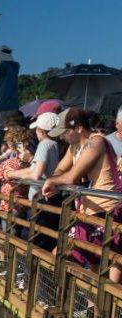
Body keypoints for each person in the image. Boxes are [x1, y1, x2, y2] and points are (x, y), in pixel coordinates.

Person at [42, 109, 122, 282]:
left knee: (98, 259)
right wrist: (55, 180)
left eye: (65, 132)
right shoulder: (74, 147)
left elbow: (71, 177)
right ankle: (90, 298)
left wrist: (54, 182)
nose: (62, 137)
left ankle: (94, 298)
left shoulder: (97, 142)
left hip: (107, 209)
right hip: (90, 210)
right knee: (94, 262)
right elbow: (60, 170)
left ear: (78, 128)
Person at [5, 112, 62, 251]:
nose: (35, 132)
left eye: (37, 129)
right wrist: (14, 174)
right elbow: (35, 169)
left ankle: (25, 265)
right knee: (45, 240)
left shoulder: (44, 145)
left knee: (32, 240)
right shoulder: (55, 144)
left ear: (42, 130)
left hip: (39, 199)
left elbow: (36, 174)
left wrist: (10, 174)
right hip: (48, 198)